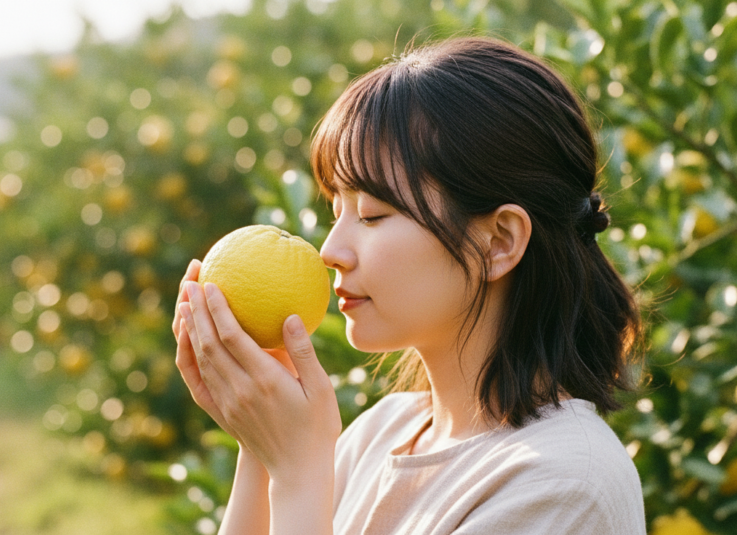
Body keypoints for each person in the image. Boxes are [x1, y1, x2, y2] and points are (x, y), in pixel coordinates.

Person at [172, 36, 646, 535]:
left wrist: (296, 472)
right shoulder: (382, 432)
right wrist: (262, 447)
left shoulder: (566, 485)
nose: (330, 251)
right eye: (337, 212)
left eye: (373, 214)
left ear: (499, 241)